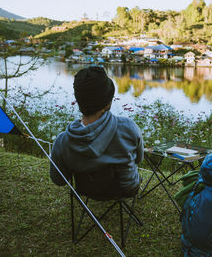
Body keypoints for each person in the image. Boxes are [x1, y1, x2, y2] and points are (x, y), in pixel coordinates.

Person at [49, 66, 143, 197]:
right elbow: (138, 159)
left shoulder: (63, 141)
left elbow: (59, 180)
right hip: (126, 189)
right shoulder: (128, 128)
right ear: (108, 101)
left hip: (87, 191)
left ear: (79, 101)